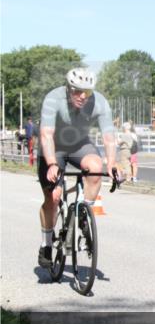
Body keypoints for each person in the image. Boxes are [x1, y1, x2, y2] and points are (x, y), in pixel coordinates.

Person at [36, 68, 118, 267]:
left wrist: (112, 164)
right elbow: (46, 135)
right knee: (53, 197)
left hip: (80, 145)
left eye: (87, 92)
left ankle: (84, 213)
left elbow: (108, 136)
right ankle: (46, 244)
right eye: (77, 91)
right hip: (53, 147)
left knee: (96, 167)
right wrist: (52, 164)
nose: (82, 96)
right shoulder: (53, 99)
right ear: (68, 89)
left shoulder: (99, 102)